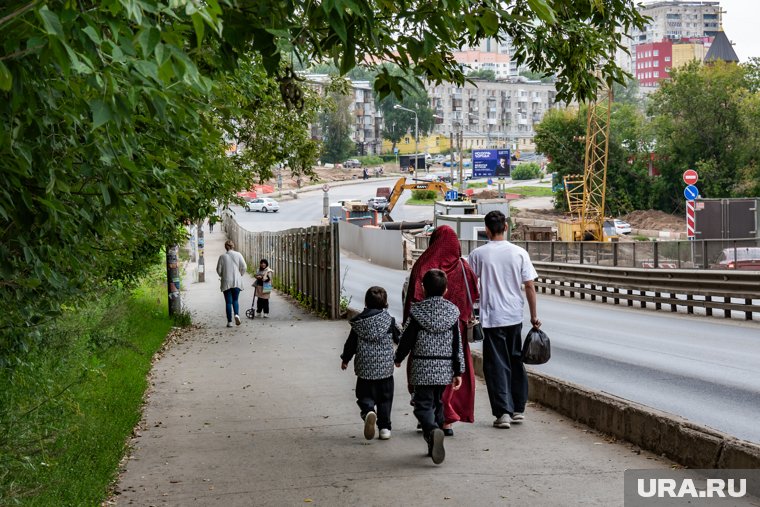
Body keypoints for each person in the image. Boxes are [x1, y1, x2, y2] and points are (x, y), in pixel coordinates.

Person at [466, 210, 540, 429]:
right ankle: (519, 409)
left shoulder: (478, 254)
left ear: (486, 229)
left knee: (496, 365)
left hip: (492, 317)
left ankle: (503, 413)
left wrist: (470, 312)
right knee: (516, 360)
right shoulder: (519, 253)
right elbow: (529, 286)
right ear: (506, 227)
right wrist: (534, 316)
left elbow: (471, 287)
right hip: (514, 316)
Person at [402, 225, 478, 436]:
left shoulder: (424, 265)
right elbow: (474, 294)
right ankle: (447, 422)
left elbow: (412, 301)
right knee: (452, 375)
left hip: (423, 334)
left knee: (426, 380)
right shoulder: (463, 267)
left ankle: (429, 418)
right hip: (456, 330)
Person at [395, 269, 463, 465]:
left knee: (422, 405)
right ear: (446, 290)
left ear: (423, 288)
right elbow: (456, 344)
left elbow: (407, 338)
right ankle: (433, 435)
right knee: (438, 403)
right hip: (444, 368)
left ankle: (432, 431)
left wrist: (399, 357)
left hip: (423, 366)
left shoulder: (417, 312)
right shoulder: (453, 312)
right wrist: (458, 371)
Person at [340, 286, 400, 441]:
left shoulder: (359, 322)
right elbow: (398, 338)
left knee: (364, 395)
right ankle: (384, 428)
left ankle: (368, 412)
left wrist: (345, 359)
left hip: (365, 369)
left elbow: (350, 344)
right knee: (385, 399)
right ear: (386, 303)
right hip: (385, 370)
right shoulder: (389, 321)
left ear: (366, 302)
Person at [216, 240, 247, 327]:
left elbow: (218, 270)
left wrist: (223, 275)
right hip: (237, 281)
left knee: (228, 302)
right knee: (235, 300)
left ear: (225, 247)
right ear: (233, 246)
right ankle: (236, 314)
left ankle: (229, 322)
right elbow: (244, 267)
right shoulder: (238, 254)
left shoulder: (222, 257)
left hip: (226, 281)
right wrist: (240, 274)